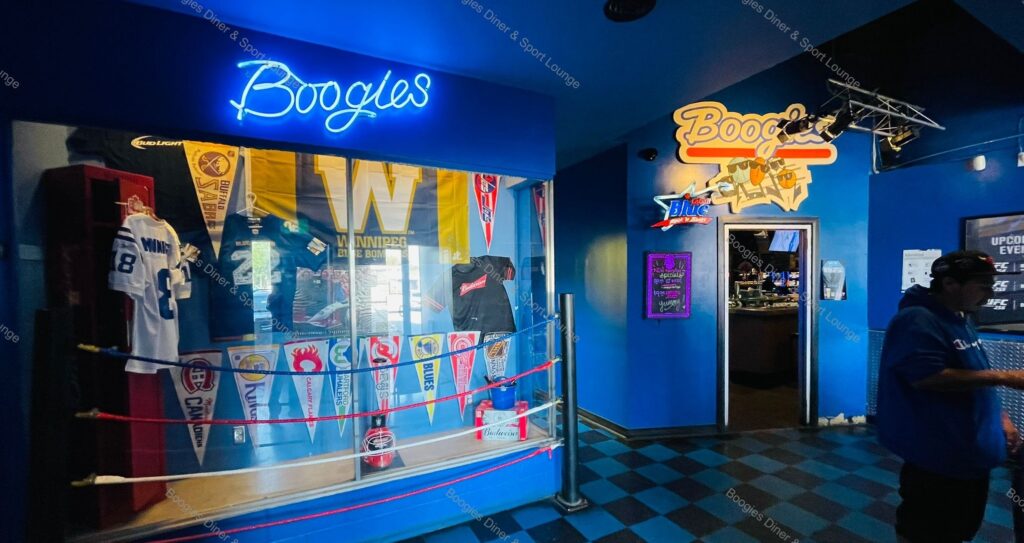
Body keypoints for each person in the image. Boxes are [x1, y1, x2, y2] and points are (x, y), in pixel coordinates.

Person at [877, 250, 1024, 543]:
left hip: (967, 457)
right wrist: (1006, 377)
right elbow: (927, 377)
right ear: (949, 284)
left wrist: (1000, 418)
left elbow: (975, 375)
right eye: (983, 285)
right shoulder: (917, 319)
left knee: (957, 531)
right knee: (925, 531)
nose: (990, 293)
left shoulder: (959, 321)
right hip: (937, 458)